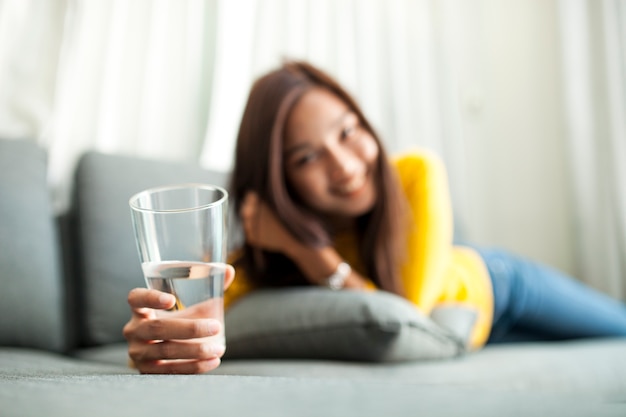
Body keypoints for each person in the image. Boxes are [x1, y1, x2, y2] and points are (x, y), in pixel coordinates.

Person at [124, 60, 626, 374]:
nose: (344, 166)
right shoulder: (262, 252)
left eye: (347, 132)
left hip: (500, 285)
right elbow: (203, 323)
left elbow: (405, 315)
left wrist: (308, 252)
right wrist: (159, 338)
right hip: (471, 330)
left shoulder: (416, 174)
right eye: (306, 158)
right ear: (278, 181)